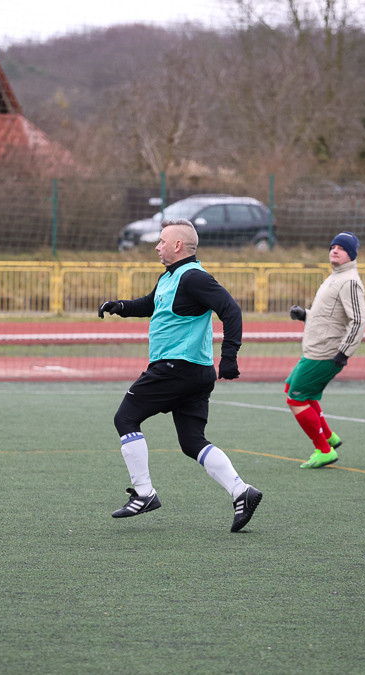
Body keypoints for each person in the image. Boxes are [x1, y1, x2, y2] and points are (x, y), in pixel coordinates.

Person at [97, 218, 263, 532]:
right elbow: (151, 304)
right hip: (194, 373)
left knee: (126, 418)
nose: (157, 246)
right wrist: (120, 306)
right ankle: (242, 491)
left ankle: (144, 493)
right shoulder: (170, 277)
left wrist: (229, 358)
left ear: (177, 246)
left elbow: (231, 310)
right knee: (191, 442)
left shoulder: (194, 278)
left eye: (161, 241)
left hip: (176, 367)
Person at [285, 232, 365, 468]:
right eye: (333, 246)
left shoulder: (349, 280)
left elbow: (359, 320)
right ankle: (329, 436)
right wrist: (305, 315)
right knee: (293, 388)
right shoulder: (335, 277)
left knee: (295, 399)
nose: (335, 250)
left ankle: (323, 449)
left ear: (351, 254)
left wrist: (344, 353)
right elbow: (329, 316)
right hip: (315, 349)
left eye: (341, 248)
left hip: (327, 353)